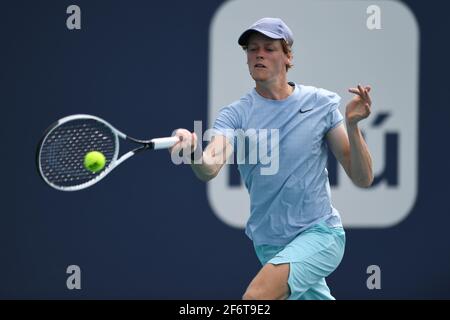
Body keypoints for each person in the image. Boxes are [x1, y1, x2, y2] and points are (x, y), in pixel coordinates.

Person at [169, 17, 373, 300]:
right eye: (253, 49)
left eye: (269, 48)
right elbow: (210, 166)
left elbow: (362, 178)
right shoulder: (235, 115)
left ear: (288, 56)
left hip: (321, 235)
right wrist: (193, 152)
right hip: (269, 245)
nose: (259, 54)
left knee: (255, 299)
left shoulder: (320, 103)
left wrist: (352, 127)